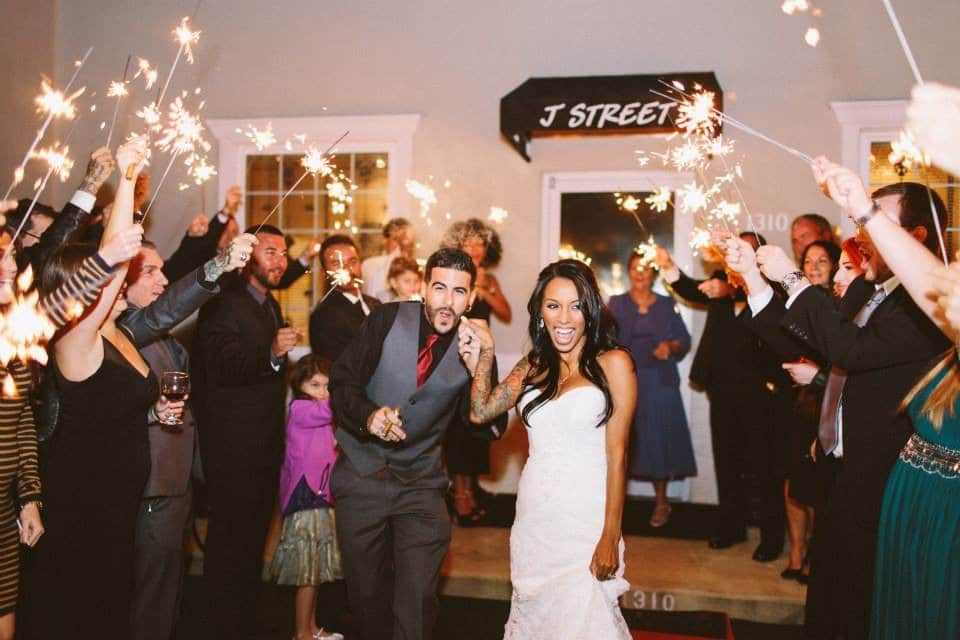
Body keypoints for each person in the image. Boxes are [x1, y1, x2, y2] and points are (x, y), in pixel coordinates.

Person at [747, 167, 951, 640]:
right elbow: (818, 343)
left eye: (874, 223)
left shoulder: (928, 307)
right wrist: (755, 283)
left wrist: (794, 279)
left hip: (884, 482)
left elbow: (850, 352)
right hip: (844, 473)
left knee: (862, 610)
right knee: (828, 604)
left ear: (915, 237)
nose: (860, 240)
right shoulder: (872, 291)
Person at [19, 137, 187, 640]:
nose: (116, 285)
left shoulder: (120, 331)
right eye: (100, 285)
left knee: (114, 607)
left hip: (120, 503)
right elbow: (113, 263)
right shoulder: (75, 337)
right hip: (81, 505)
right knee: (79, 612)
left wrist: (158, 408)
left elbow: (123, 402)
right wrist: (130, 178)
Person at [811, 158, 960, 639]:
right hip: (910, 491)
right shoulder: (884, 292)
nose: (952, 272)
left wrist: (862, 211)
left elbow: (853, 351)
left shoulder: (926, 309)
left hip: (937, 502)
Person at [328, 247, 506, 640]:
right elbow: (343, 382)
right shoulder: (385, 319)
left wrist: (484, 366)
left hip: (421, 484)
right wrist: (370, 416)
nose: (448, 301)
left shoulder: (474, 345)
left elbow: (487, 428)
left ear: (472, 297)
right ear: (424, 288)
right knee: (366, 595)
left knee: (417, 598)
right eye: (439, 288)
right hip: (362, 473)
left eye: (459, 292)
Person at [0, 197, 149, 640]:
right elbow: (59, 306)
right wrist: (106, 256)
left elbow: (20, 422)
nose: (13, 267)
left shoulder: (13, 338)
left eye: (11, 257)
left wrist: (27, 496)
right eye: (3, 261)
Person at [465, 259, 635, 638]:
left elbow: (618, 454)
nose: (565, 317)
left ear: (590, 310)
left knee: (586, 620)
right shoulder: (533, 365)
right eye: (553, 305)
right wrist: (486, 355)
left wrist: (610, 533)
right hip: (536, 517)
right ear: (540, 311)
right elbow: (481, 411)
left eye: (576, 306)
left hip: (586, 520)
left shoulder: (614, 363)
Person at [123, 233, 253, 640]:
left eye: (164, 271)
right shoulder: (124, 330)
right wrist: (218, 265)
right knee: (149, 598)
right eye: (151, 271)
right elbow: (165, 312)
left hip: (175, 485)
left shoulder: (160, 339)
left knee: (168, 592)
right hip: (150, 489)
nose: (162, 280)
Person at [192, 223, 302, 640]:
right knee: (228, 545)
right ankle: (220, 626)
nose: (280, 260)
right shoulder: (222, 303)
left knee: (253, 541)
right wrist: (272, 352)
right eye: (271, 251)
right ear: (248, 256)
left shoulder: (267, 304)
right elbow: (224, 365)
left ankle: (243, 619)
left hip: (262, 448)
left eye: (284, 253)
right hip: (232, 451)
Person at [655, 234, 792, 560]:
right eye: (732, 248)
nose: (734, 252)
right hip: (723, 390)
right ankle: (731, 527)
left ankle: (772, 537)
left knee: (764, 466)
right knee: (727, 463)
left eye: (742, 248)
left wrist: (731, 289)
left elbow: (757, 297)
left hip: (760, 392)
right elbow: (691, 289)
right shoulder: (719, 282)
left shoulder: (772, 288)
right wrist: (669, 266)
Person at [608, 251, 695, 527]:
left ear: (654, 273)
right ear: (628, 271)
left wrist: (670, 346)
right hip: (626, 382)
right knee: (621, 444)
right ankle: (613, 508)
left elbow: (684, 340)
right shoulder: (616, 303)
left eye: (645, 268)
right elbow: (606, 341)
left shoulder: (668, 304)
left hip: (660, 383)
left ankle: (661, 503)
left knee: (659, 444)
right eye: (634, 268)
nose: (640, 273)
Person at [266, 355, 344, 640]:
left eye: (327, 386)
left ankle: (312, 628)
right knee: (307, 571)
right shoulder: (300, 408)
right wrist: (347, 393)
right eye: (315, 385)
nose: (323, 392)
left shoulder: (322, 409)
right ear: (299, 385)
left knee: (315, 569)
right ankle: (302, 634)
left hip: (320, 494)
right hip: (305, 495)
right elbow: (326, 410)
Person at [441, 218, 511, 523]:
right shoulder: (454, 276)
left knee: (478, 427)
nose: (477, 256)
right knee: (457, 429)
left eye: (481, 252)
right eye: (472, 250)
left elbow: (505, 313)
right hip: (457, 355)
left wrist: (486, 288)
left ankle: (471, 489)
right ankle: (459, 494)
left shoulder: (488, 278)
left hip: (483, 357)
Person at [309, 235, 380, 363]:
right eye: (337, 263)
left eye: (352, 262)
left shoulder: (375, 304)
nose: (347, 269)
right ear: (325, 272)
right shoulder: (324, 316)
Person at [361, 217, 415, 302]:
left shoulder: (415, 268)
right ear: (385, 240)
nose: (402, 245)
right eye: (397, 239)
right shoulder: (370, 264)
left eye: (406, 241)